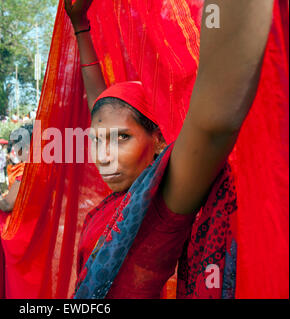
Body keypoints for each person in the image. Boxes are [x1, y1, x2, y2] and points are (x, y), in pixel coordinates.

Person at [63, 0, 274, 299]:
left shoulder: (164, 203)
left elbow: (214, 123)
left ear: (158, 142)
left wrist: (216, 17)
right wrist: (81, 26)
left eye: (123, 138)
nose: (104, 155)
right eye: (98, 140)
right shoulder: (122, 200)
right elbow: (101, 106)